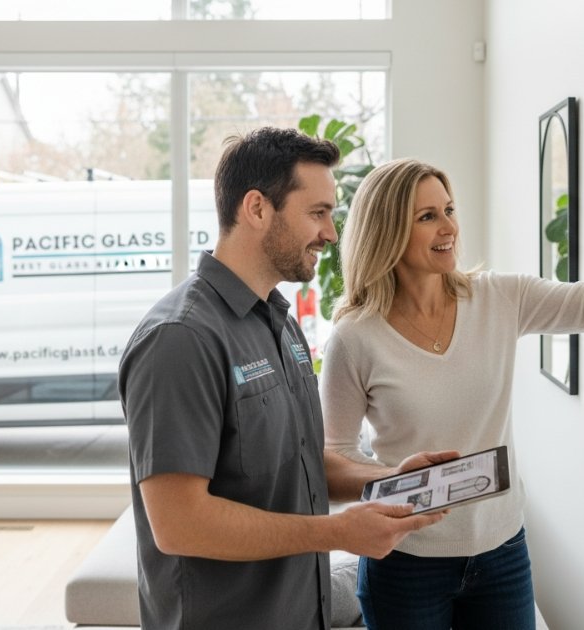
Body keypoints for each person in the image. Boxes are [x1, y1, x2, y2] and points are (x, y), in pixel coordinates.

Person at [321, 158, 584, 630]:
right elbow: (334, 457)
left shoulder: (498, 299)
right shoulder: (355, 336)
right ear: (386, 230)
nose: (449, 226)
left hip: (502, 553)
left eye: (449, 209)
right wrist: (395, 478)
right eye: (427, 216)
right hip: (405, 561)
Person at [118, 128, 456, 630]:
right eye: (317, 213)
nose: (332, 233)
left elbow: (297, 458)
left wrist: (389, 480)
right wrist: (335, 533)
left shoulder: (281, 323)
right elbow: (179, 523)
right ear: (257, 209)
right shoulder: (179, 338)